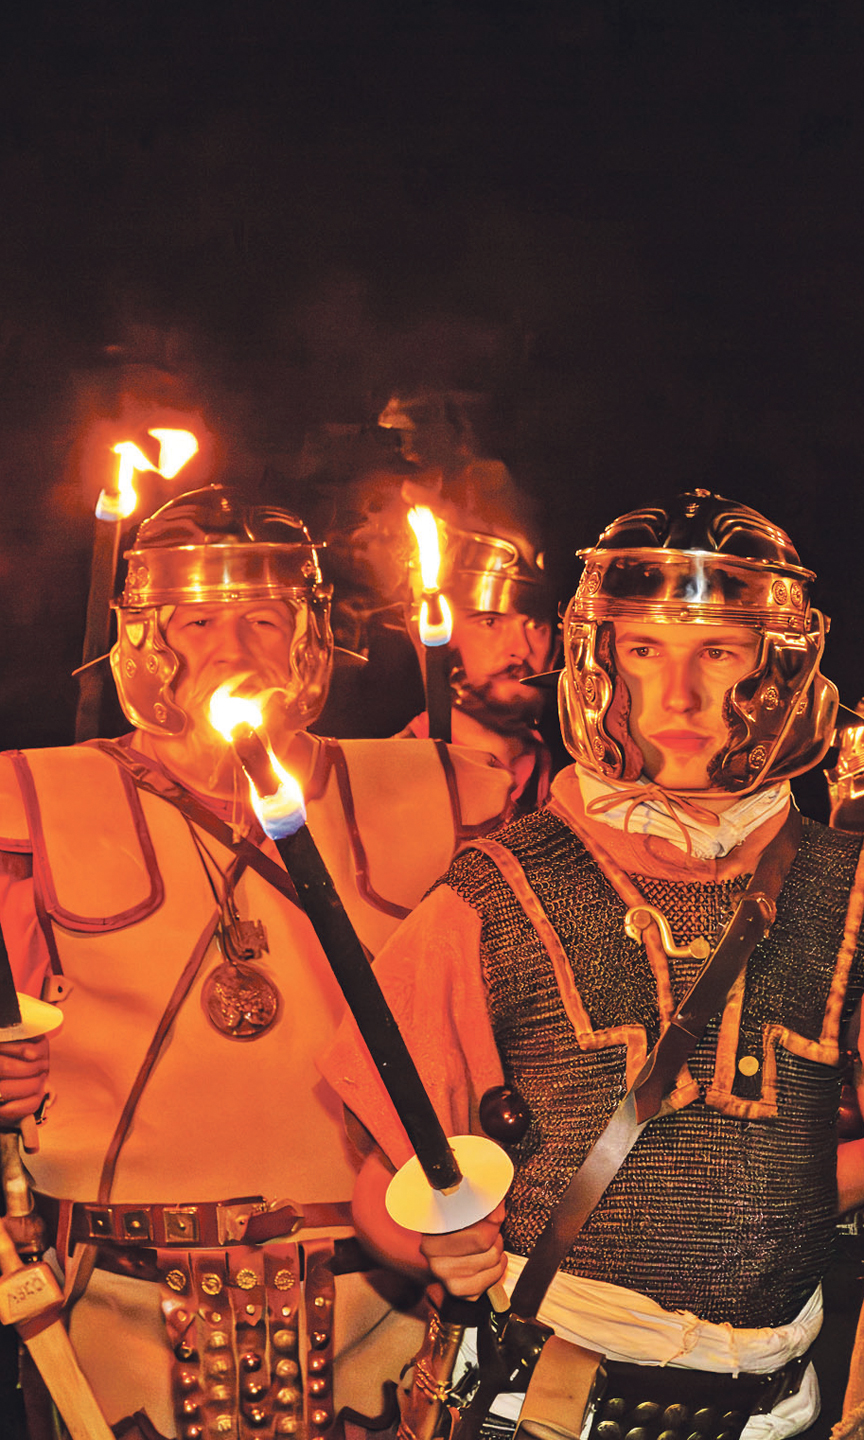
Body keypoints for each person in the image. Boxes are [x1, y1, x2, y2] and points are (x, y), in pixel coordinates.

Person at [325, 490, 864, 1439]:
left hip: (785, 1409)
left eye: (721, 651)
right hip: (547, 1405)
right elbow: (388, 1174)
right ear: (598, 662)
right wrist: (426, 1243)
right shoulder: (495, 887)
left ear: (778, 667)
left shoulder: (846, 884)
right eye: (646, 649)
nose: (681, 695)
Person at [0, 485, 514, 1440]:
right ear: (144, 637)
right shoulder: (32, 800)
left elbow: (520, 1032)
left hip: (384, 1307)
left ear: (312, 634)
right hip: (116, 1310)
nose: (231, 651)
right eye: (196, 621)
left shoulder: (446, 794)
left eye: (264, 620)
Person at [399, 512, 558, 816]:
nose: (520, 649)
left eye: (536, 625)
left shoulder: (569, 779)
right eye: (490, 622)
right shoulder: (390, 771)